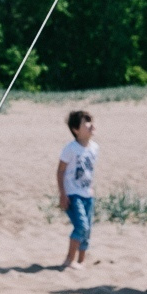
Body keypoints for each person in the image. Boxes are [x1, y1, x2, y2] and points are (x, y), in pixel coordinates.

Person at [56, 109, 98, 269]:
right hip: (73, 195)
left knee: (88, 231)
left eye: (91, 120)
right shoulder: (70, 148)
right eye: (86, 122)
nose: (91, 124)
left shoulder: (94, 148)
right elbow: (60, 171)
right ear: (76, 130)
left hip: (88, 194)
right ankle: (69, 260)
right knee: (81, 226)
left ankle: (81, 261)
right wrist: (62, 193)